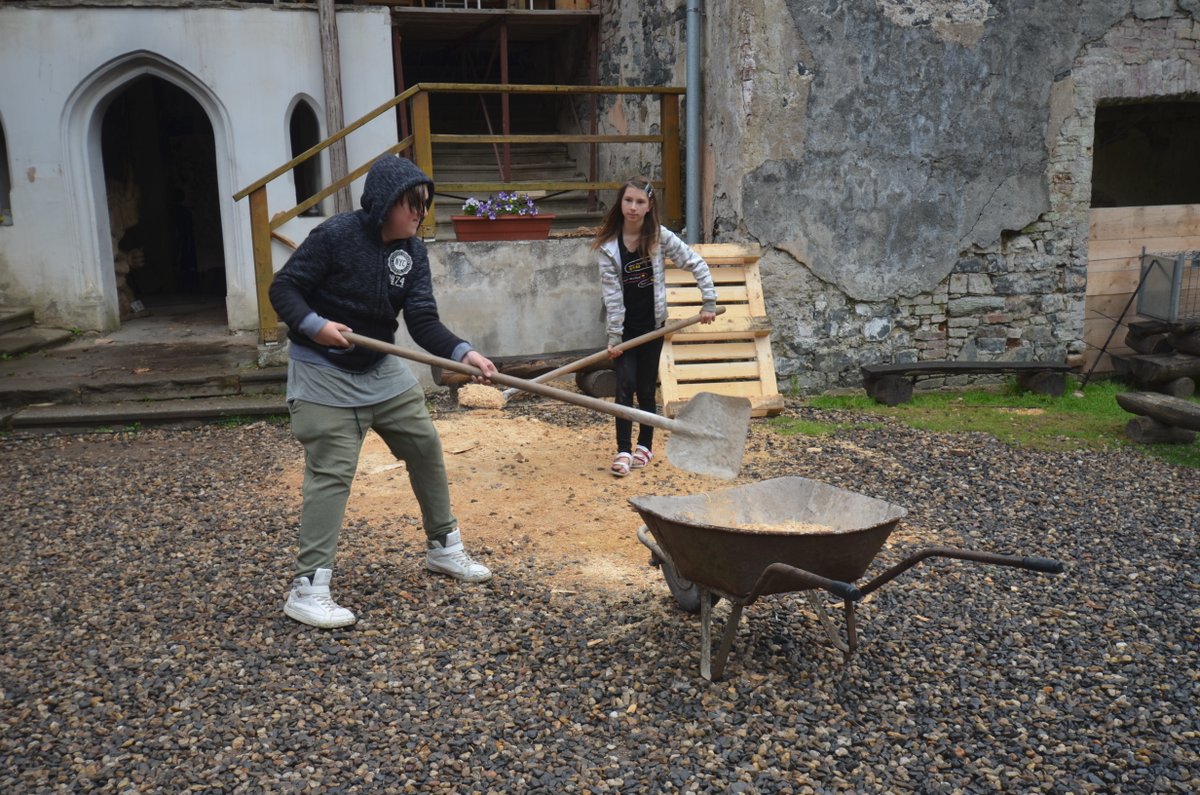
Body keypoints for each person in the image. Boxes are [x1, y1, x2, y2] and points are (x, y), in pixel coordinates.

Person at [269, 154, 497, 629]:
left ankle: (443, 548)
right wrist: (314, 326)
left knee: (424, 445)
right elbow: (284, 288)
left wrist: (462, 353)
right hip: (321, 370)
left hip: (378, 366)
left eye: (424, 205)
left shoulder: (412, 253)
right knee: (332, 473)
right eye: (411, 205)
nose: (419, 214)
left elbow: (422, 320)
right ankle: (308, 589)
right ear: (382, 204)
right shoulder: (335, 236)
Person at [593, 177, 717, 477]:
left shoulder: (660, 238)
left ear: (649, 207)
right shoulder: (609, 247)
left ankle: (644, 445)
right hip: (625, 331)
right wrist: (614, 337)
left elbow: (695, 263)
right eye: (628, 201)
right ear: (620, 204)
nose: (633, 207)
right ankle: (623, 449)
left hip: (653, 327)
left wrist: (709, 301)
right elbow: (612, 297)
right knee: (624, 388)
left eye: (640, 202)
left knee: (647, 388)